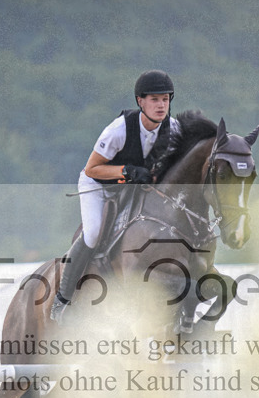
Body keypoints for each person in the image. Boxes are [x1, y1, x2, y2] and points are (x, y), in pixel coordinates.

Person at [50, 70, 181, 323]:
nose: (161, 105)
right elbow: (92, 168)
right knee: (93, 233)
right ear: (140, 101)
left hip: (130, 189)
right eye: (154, 99)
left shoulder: (173, 129)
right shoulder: (119, 129)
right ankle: (62, 299)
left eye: (165, 99)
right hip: (98, 185)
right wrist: (126, 170)